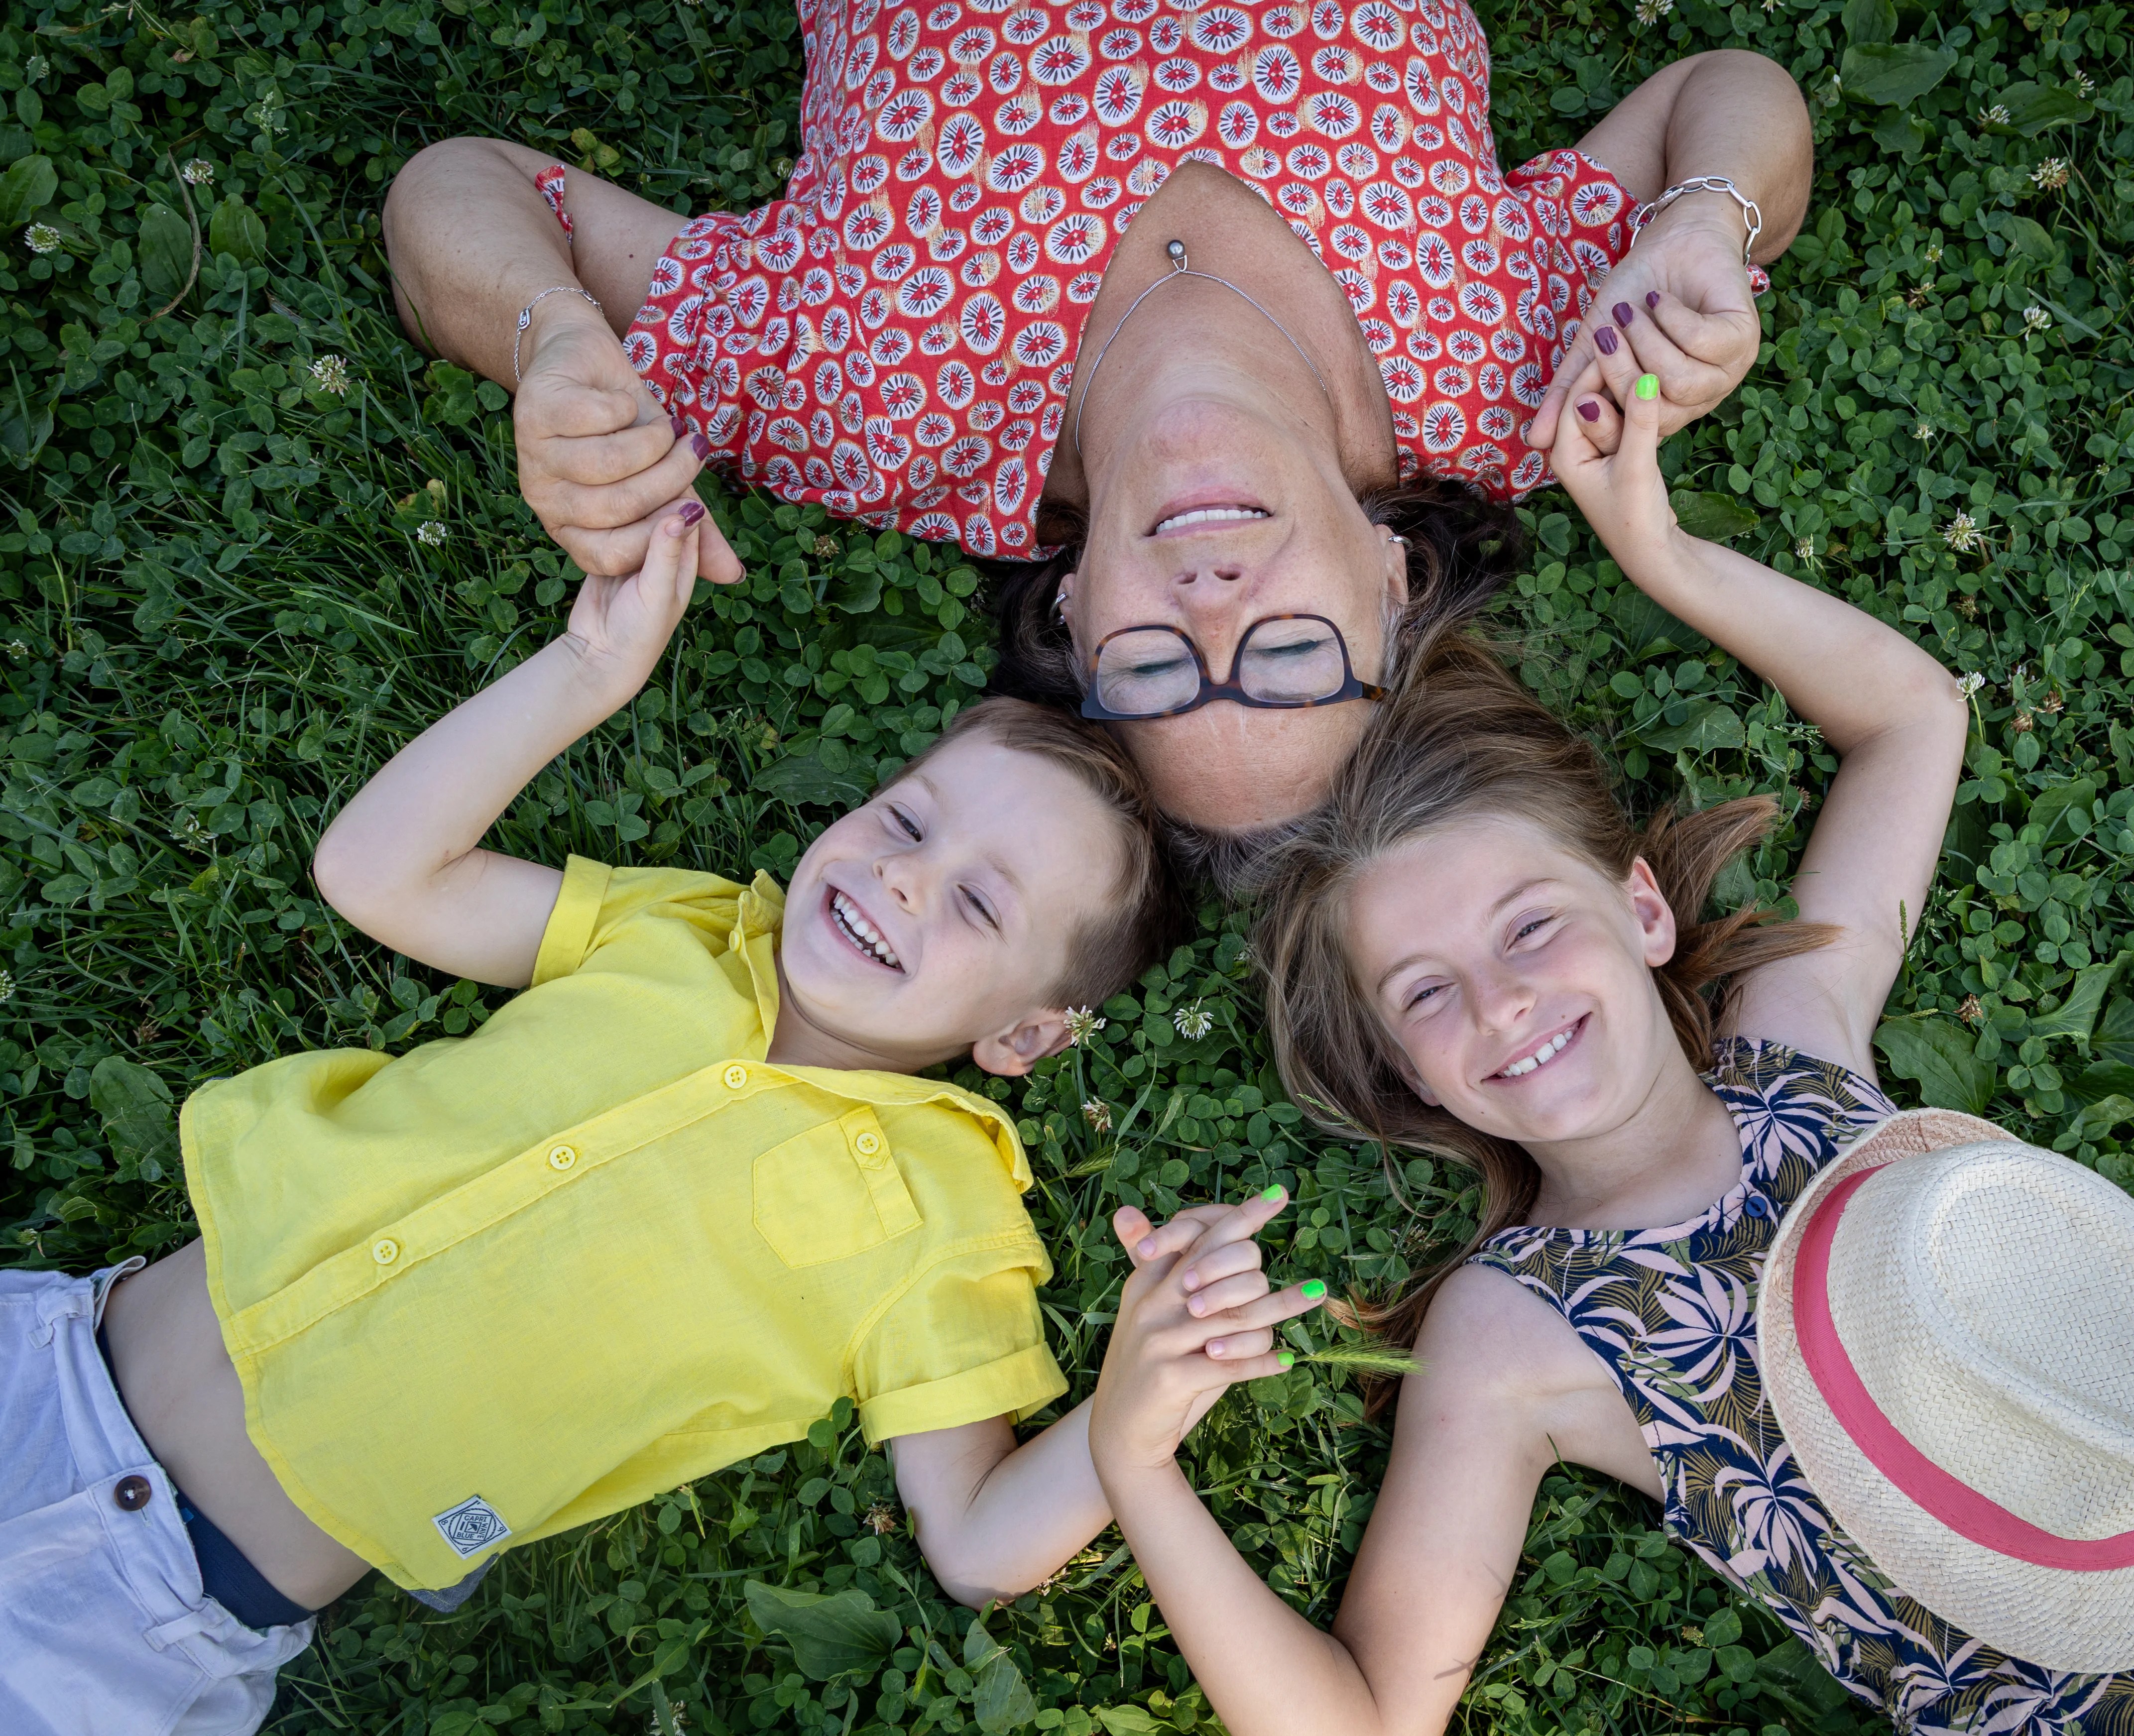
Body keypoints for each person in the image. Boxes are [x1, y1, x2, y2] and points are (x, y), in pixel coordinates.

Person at [1082, 355, 2134, 1733]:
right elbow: (1368, 1718)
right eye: (1425, 993)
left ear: (1644, 910)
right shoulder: (1513, 1334)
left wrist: (1660, 551)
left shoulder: (1797, 1044)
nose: (1502, 1007)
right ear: (1407, 1071)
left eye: (1533, 926)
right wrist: (1135, 1461)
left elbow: (1915, 721)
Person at [0, 508, 1324, 1736]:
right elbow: (377, 871)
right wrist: (584, 672)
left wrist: (1135, 1414)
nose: (906, 882)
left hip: (156, 1620)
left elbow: (974, 1541)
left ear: (1026, 1036)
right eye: (908, 820)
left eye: (981, 909)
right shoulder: (684, 928)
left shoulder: (945, 1216)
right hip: (44, 1362)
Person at [382, 7, 1815, 847]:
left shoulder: (875, 401)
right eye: (1295, 655)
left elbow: (477, 190)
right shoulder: (1516, 384)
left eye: (1155, 667)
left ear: (1070, 615)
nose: (1215, 608)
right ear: (1396, 582)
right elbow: (1724, 92)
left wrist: (553, 337)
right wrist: (1703, 220)